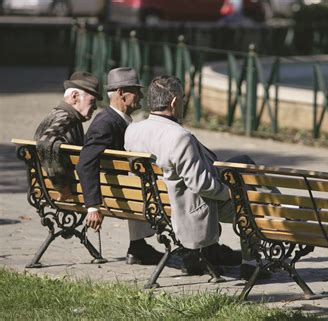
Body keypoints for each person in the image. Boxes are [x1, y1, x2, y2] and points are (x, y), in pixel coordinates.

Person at [124, 75, 270, 280]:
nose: (185, 103)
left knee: (242, 160)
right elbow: (203, 185)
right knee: (250, 201)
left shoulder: (134, 129)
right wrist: (234, 193)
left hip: (157, 201)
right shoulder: (179, 136)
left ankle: (285, 214)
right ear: (174, 101)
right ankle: (251, 264)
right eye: (183, 98)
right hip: (190, 206)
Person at [77, 67, 163, 265]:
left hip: (124, 192)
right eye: (136, 90)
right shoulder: (106, 124)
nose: (141, 96)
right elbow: (85, 163)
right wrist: (92, 207)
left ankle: (138, 246)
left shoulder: (113, 120)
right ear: (121, 93)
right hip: (124, 195)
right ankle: (197, 250)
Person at [34, 71, 102, 201]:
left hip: (42, 187)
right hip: (70, 193)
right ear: (75, 96)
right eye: (92, 101)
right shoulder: (67, 118)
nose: (95, 107)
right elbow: (45, 142)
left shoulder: (53, 115)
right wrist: (62, 187)